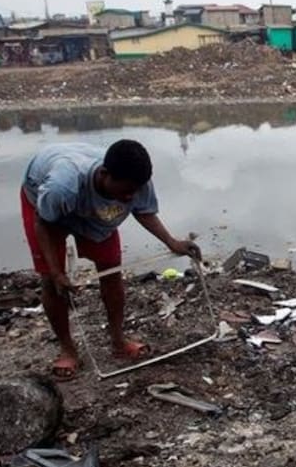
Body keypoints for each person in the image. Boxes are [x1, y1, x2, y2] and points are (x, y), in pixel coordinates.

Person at [21, 139, 200, 379]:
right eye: (126, 191)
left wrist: (172, 242)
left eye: (135, 191)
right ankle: (68, 349)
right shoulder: (61, 187)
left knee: (111, 271)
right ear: (104, 174)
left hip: (97, 209)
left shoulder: (136, 182)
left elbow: (144, 211)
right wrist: (56, 272)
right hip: (45, 207)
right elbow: (43, 223)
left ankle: (118, 342)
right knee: (52, 282)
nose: (130, 197)